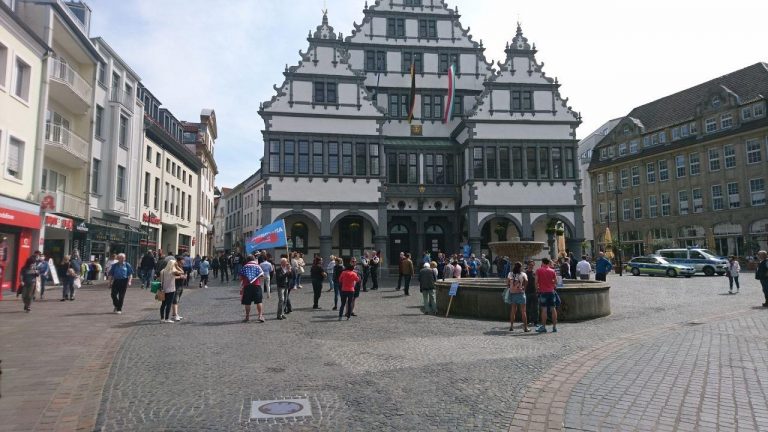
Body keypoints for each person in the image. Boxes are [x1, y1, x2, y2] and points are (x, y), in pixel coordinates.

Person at [535, 257, 558, 333]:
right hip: (551, 292)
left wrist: (537, 289)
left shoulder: (538, 270)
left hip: (543, 292)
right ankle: (554, 327)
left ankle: (543, 327)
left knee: (544, 309)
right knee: (553, 309)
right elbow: (556, 282)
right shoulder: (552, 270)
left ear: (542, 262)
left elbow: (536, 282)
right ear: (548, 263)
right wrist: (552, 284)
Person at [239, 255, 264, 322]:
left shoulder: (244, 267)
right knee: (259, 301)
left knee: (247, 302)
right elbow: (262, 276)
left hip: (247, 286)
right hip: (256, 285)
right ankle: (260, 316)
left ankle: (247, 317)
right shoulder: (257, 266)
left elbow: (240, 278)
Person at [506, 261, 529, 332]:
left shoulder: (510, 273)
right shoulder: (523, 274)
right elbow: (527, 281)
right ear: (520, 267)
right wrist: (524, 287)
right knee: (523, 311)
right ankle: (525, 328)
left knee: (513, 311)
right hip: (521, 293)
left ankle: (511, 326)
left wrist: (509, 286)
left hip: (513, 293)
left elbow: (507, 282)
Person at [159, 259, 182, 323]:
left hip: (164, 289)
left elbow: (160, 279)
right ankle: (167, 319)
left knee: (163, 304)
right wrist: (177, 267)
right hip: (171, 289)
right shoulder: (173, 271)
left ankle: (162, 318)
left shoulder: (162, 271)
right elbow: (182, 272)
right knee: (168, 304)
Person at [524, 260, 538, 328]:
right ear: (528, 265)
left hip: (534, 292)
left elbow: (537, 282)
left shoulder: (535, 273)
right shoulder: (525, 273)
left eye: (532, 265)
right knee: (527, 308)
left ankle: (535, 321)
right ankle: (528, 321)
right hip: (527, 292)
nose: (531, 266)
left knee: (535, 308)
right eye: (530, 265)